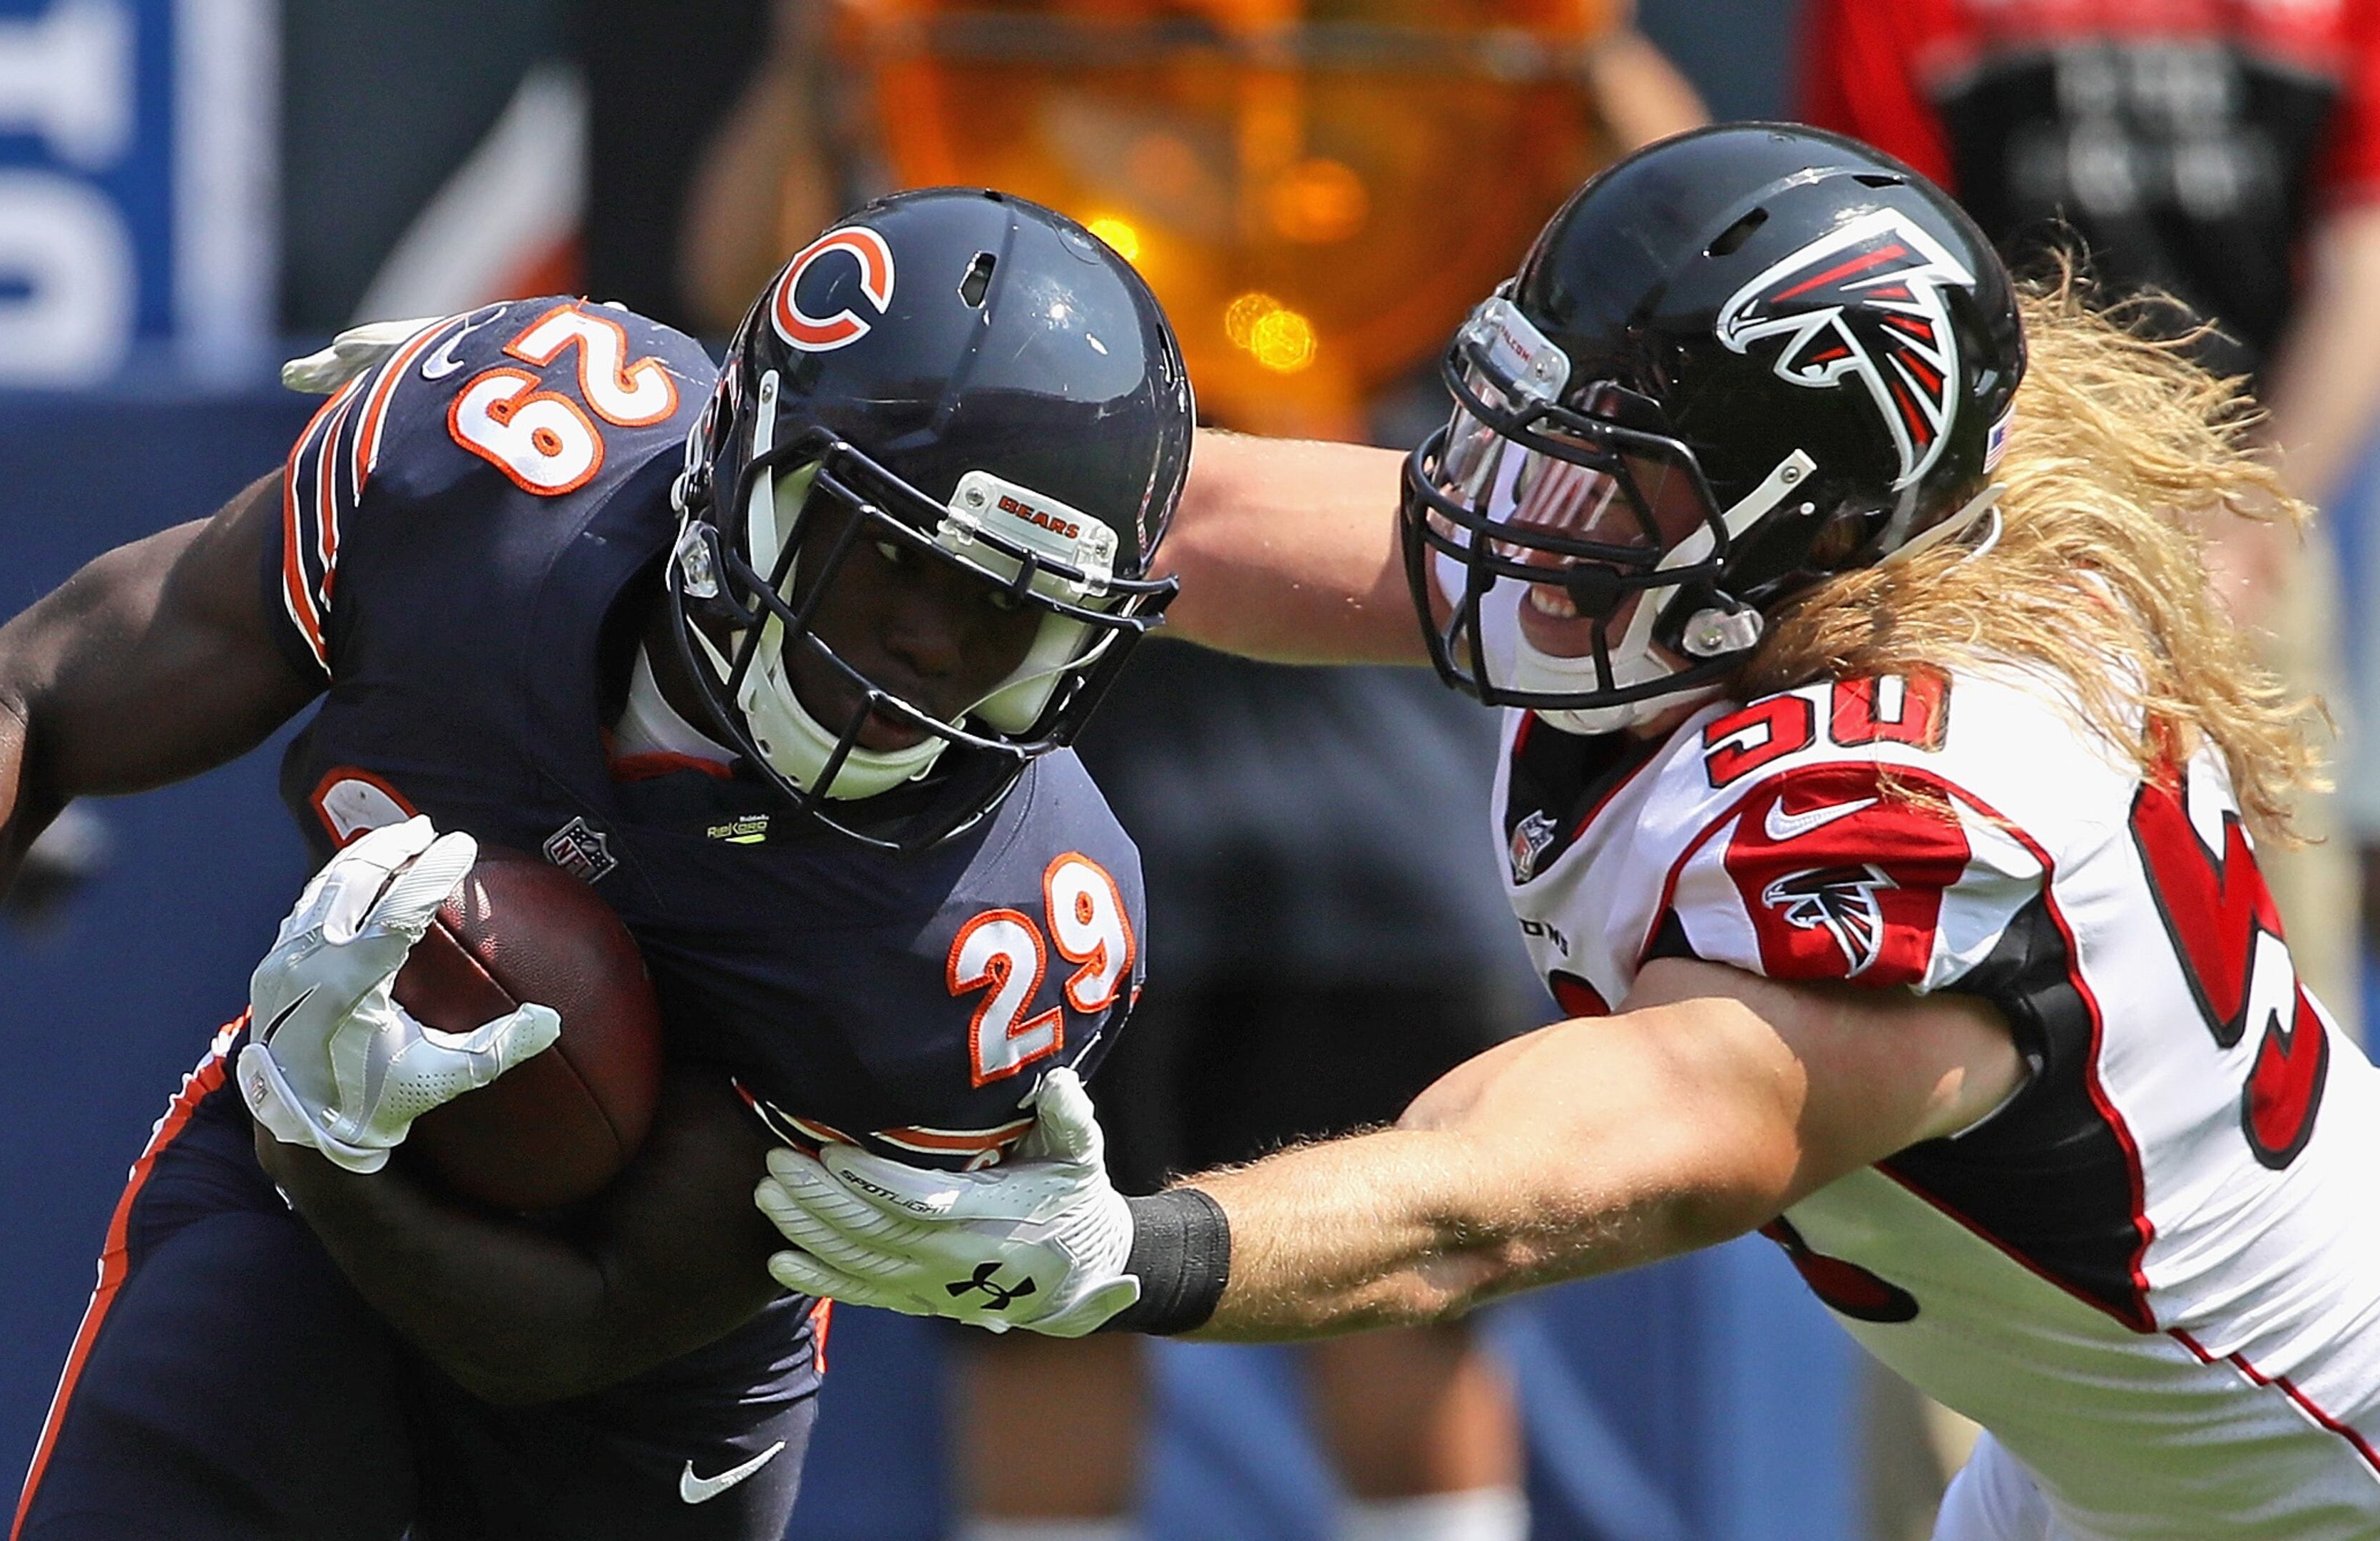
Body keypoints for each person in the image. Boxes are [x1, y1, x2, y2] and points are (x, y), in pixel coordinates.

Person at [758, 125, 2380, 1540]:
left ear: (1801, 529)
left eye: (1607, 475)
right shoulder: (1806, 576)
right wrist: (792, 441)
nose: (1523, 512)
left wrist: (1133, 1246)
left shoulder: (1896, 814)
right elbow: (1191, 515)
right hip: (2127, 1462)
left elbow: (1502, 1190)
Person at [0, 187, 1190, 1540]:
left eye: (1009, 617)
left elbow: (578, 1332)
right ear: (748, 468)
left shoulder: (995, 925)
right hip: (289, 1186)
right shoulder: (499, 483)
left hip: (648, 1394)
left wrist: (321, 1143)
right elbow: (30, 696)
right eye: (893, 563)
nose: (925, 662)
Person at [1793, 0, 2380, 1036]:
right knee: (1981, 923)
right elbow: (1888, 262)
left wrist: (2254, 518)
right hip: (1999, 529)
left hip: (2254, 506)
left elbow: (2363, 256)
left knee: (2291, 948)